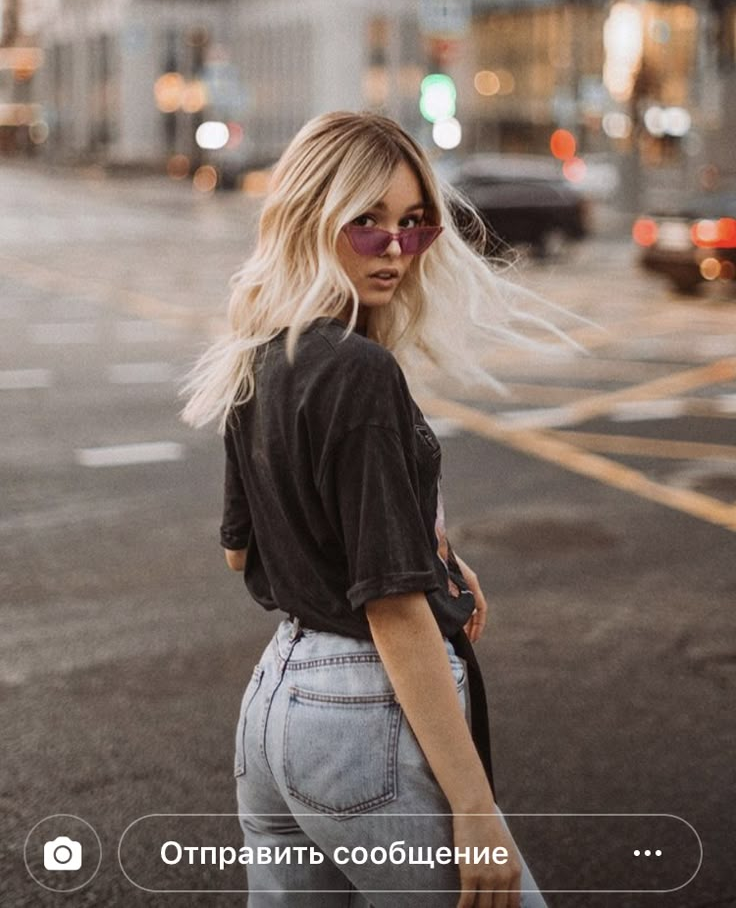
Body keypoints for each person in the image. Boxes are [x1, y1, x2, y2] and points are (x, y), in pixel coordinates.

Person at [182, 111, 554, 906]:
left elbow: (241, 553)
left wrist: (429, 549)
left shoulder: (260, 352)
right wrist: (476, 808)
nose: (396, 248)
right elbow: (391, 606)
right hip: (359, 707)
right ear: (314, 220)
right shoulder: (358, 372)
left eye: (414, 224)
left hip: (274, 705)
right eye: (368, 223)